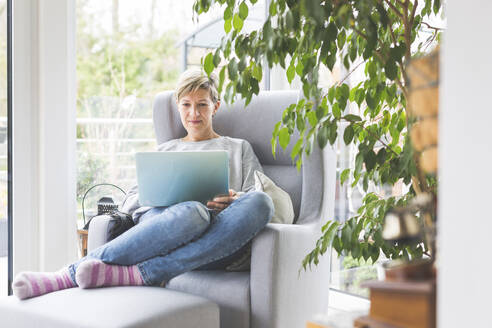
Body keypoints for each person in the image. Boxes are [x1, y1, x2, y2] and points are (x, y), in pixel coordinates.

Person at [12, 69, 274, 300]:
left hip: (217, 243)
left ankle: (141, 272)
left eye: (202, 105)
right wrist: (174, 202)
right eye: (186, 105)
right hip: (170, 228)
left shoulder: (239, 148)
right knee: (192, 212)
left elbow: (256, 197)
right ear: (177, 107)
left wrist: (232, 199)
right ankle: (67, 275)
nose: (194, 113)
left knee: (262, 203)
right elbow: (131, 202)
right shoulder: (164, 150)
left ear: (215, 107)